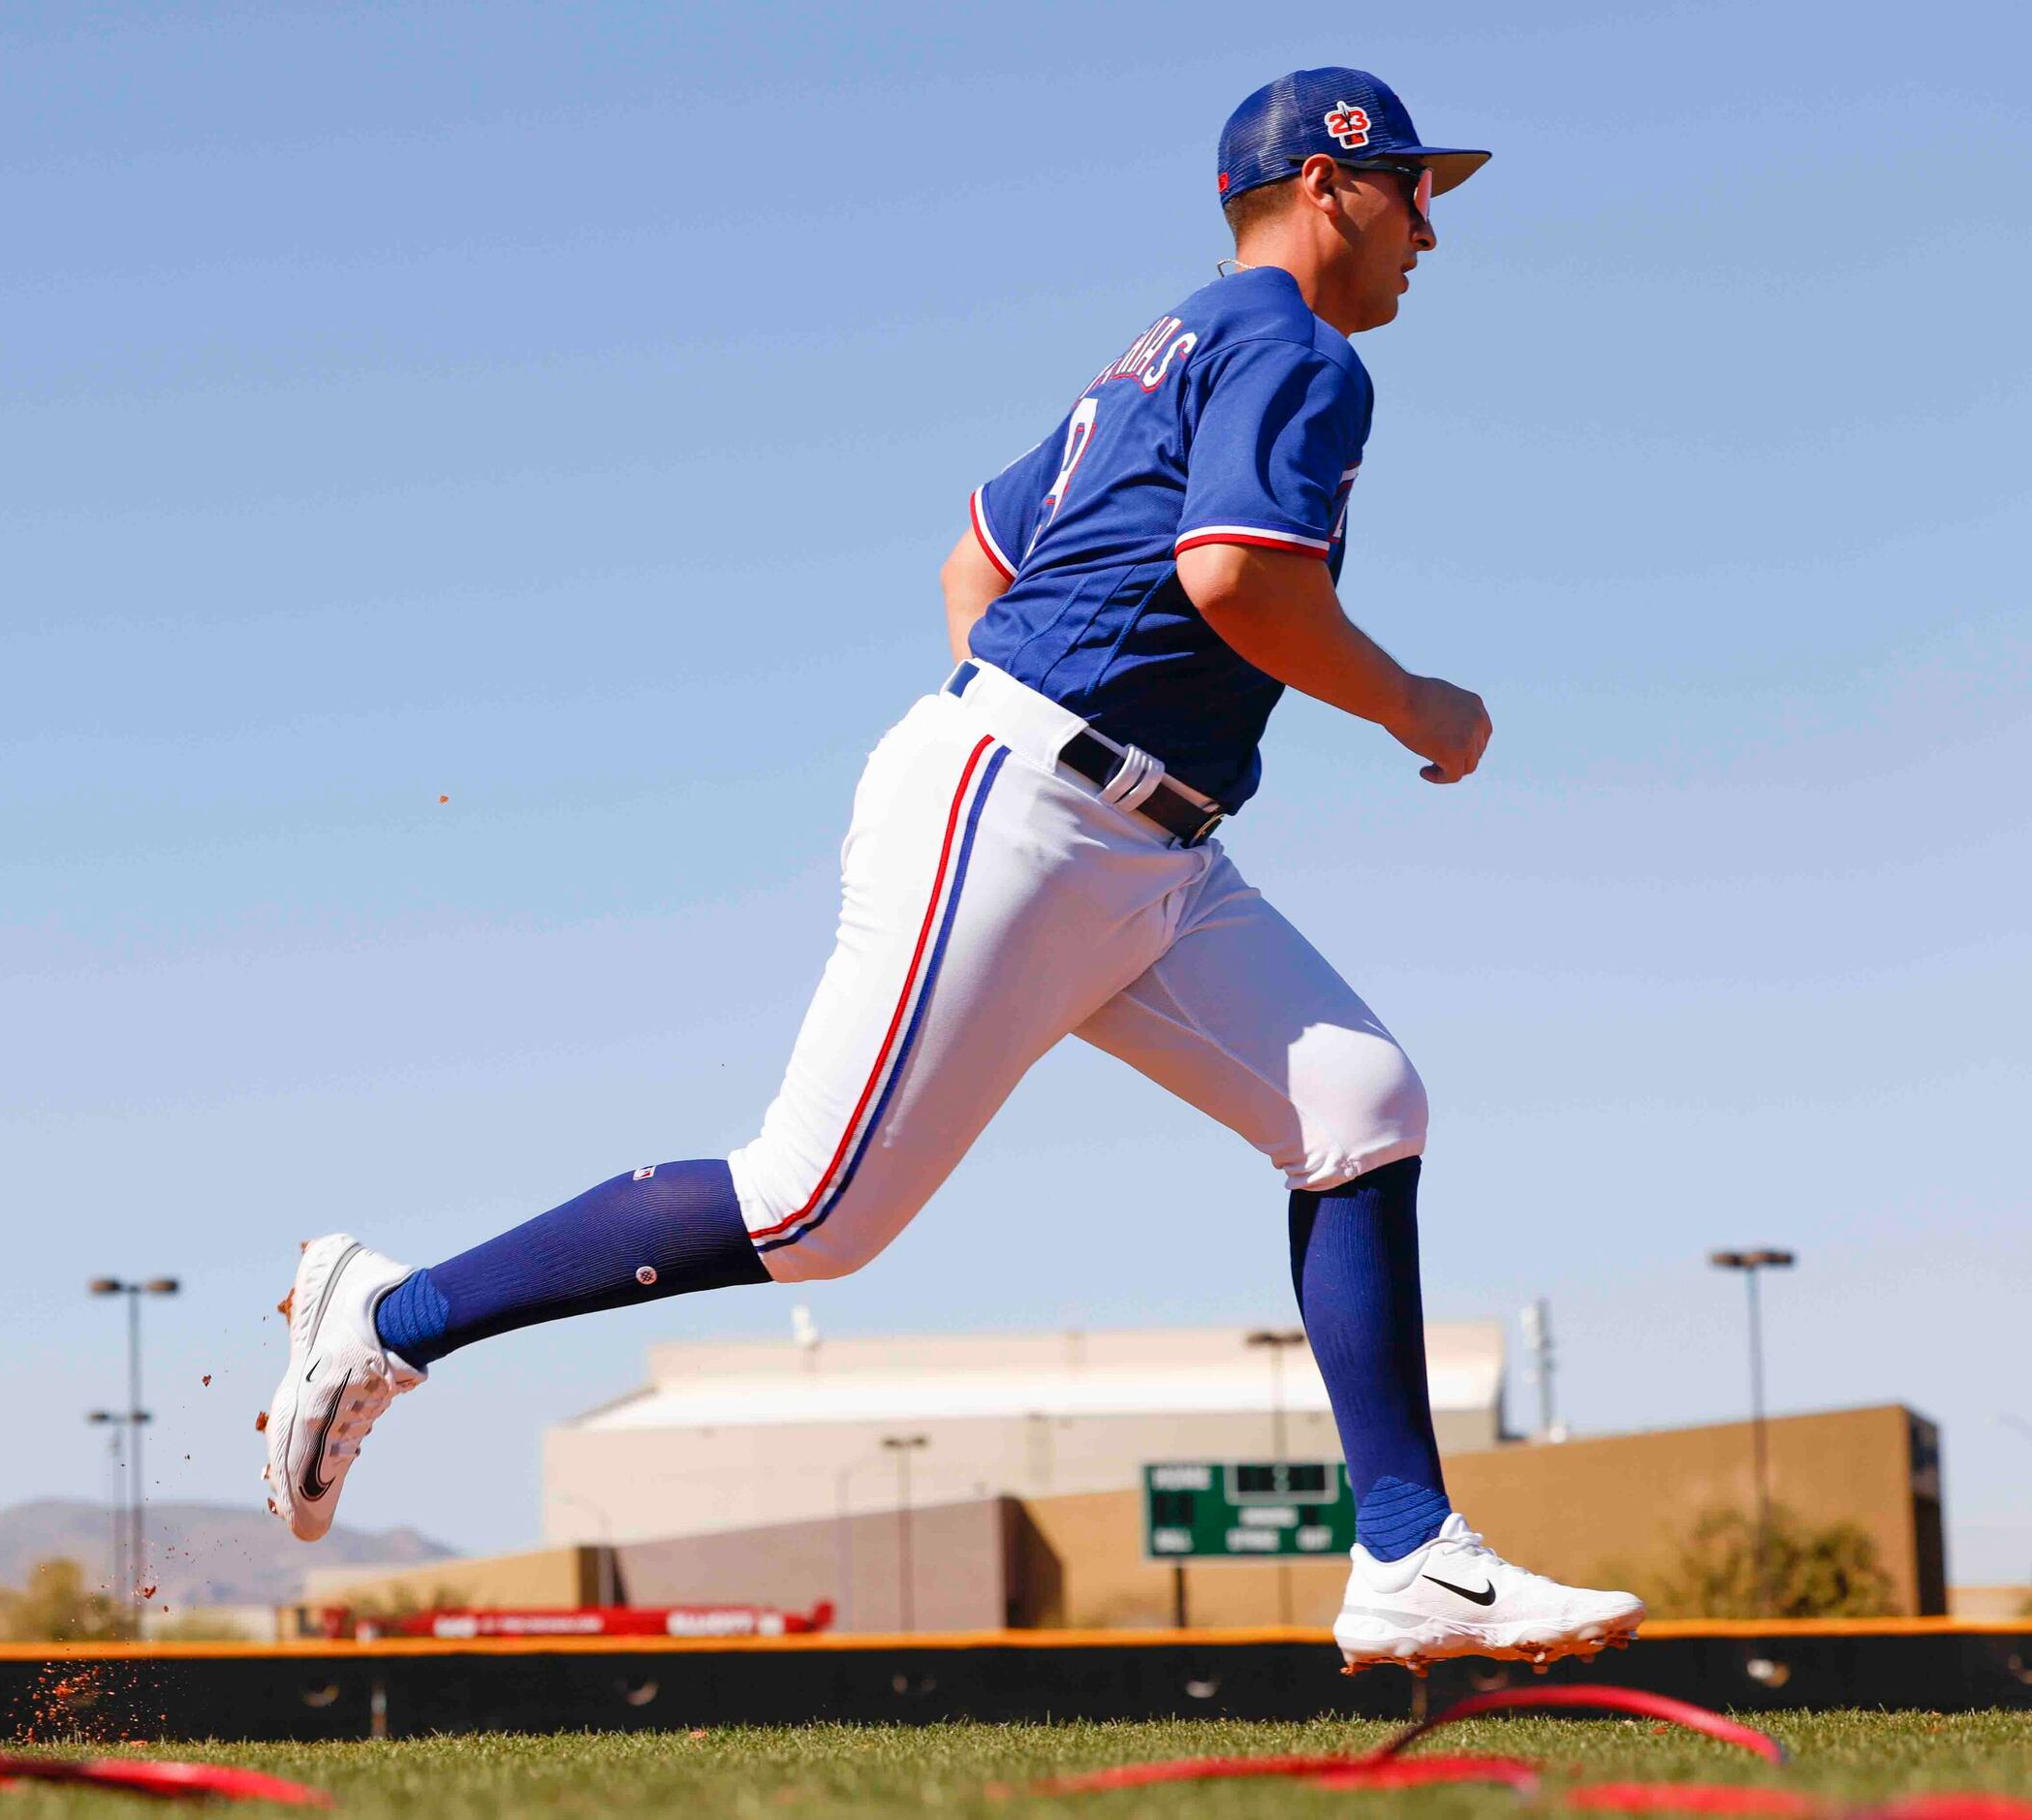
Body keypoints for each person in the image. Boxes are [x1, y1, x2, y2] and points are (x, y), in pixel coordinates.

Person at [260, 67, 1644, 1673]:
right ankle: (393, 1312)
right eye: (1414, 189)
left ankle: (1412, 1553)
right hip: (1040, 808)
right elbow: (1234, 575)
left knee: (1361, 1106)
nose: (1428, 226)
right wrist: (1417, 704)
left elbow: (976, 557)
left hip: (1140, 838)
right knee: (811, 1210)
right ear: (1332, 186)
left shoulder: (1164, 351)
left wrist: (1043, 727)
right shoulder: (1294, 347)